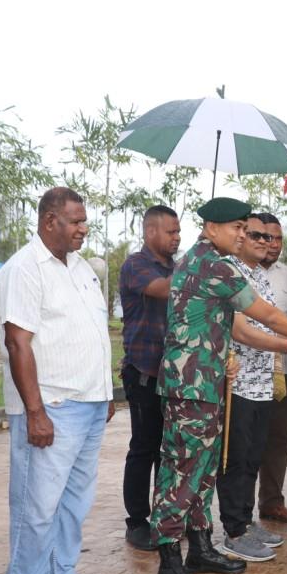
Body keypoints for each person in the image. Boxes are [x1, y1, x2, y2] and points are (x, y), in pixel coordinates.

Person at [150, 197, 287, 574]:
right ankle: (168, 562)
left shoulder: (208, 261)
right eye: (237, 228)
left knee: (204, 471)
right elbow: (264, 313)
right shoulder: (212, 264)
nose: (243, 236)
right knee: (181, 474)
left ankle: (200, 548)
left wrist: (281, 348)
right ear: (211, 228)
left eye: (245, 229)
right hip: (191, 387)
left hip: (207, 382)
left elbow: (232, 327)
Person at [0, 186, 116, 574]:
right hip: (51, 404)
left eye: (84, 221)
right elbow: (17, 342)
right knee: (37, 503)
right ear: (50, 221)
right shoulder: (25, 268)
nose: (84, 229)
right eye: (76, 221)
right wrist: (35, 412)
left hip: (89, 401)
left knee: (74, 500)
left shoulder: (81, 268)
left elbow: (91, 332)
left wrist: (104, 392)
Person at [216, 213, 287, 562]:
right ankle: (233, 531)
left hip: (262, 382)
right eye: (256, 235)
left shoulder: (260, 275)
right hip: (236, 382)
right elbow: (243, 331)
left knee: (253, 457)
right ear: (240, 237)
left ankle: (246, 521)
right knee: (234, 459)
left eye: (269, 237)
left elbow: (272, 321)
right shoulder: (228, 271)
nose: (265, 242)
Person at [118, 205, 181, 551]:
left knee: (167, 451)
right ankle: (137, 521)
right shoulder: (136, 265)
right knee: (144, 448)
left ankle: (164, 515)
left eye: (178, 232)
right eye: (171, 232)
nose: (177, 238)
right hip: (144, 371)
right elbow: (164, 290)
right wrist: (198, 264)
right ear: (150, 232)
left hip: (174, 374)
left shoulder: (176, 267)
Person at [256, 213, 287, 525]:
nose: (273, 244)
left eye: (278, 238)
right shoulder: (238, 271)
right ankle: (239, 512)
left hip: (284, 367)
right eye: (266, 237)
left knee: (280, 437)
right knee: (247, 440)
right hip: (247, 370)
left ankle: (271, 501)